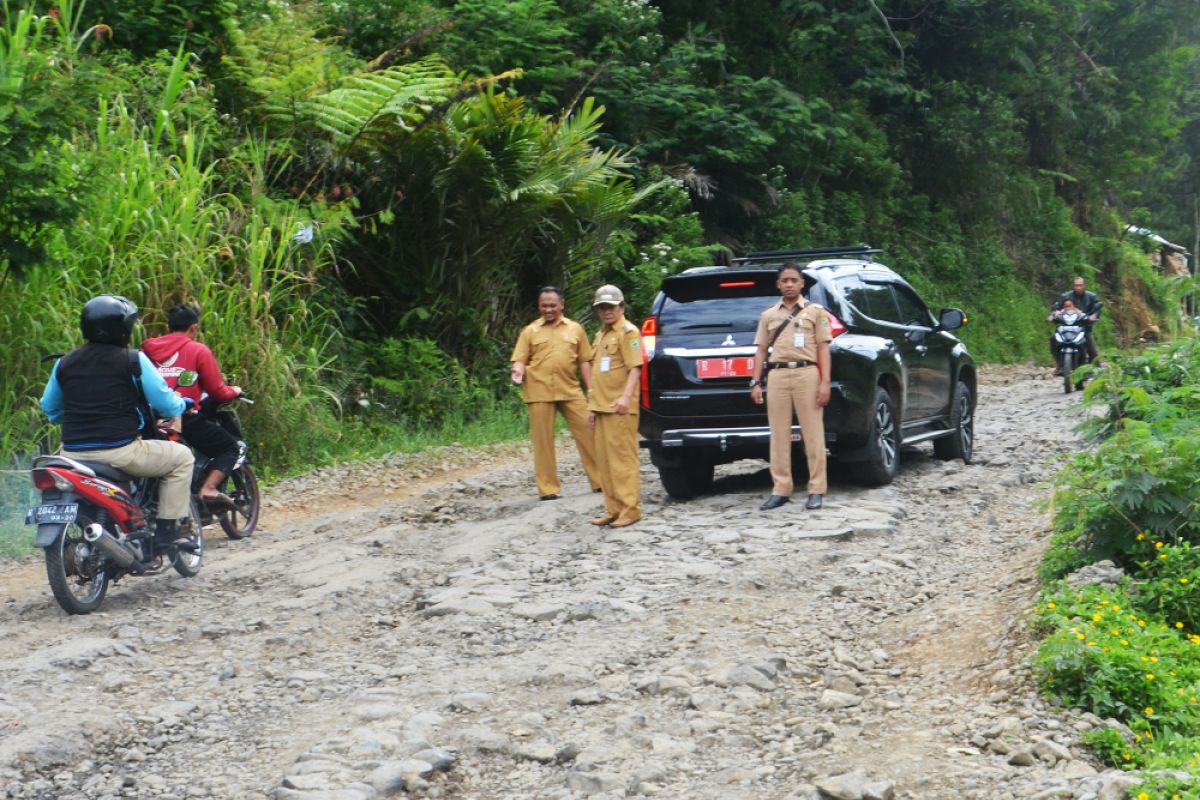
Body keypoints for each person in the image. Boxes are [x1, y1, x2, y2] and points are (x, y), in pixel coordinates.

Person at [40, 295, 196, 550]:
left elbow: (50, 408)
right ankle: (166, 532)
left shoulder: (64, 362)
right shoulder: (132, 359)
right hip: (121, 452)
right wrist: (182, 404)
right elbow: (166, 403)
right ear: (121, 328)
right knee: (182, 458)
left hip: (72, 454)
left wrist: (73, 416)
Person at [143, 304, 243, 510]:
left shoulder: (146, 351)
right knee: (229, 447)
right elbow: (217, 392)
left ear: (168, 326)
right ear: (193, 328)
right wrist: (235, 391)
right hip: (182, 417)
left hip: (148, 419)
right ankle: (209, 488)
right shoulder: (198, 350)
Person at [750, 263, 832, 511]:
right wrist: (755, 381)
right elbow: (761, 350)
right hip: (777, 375)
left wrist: (825, 382)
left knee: (813, 434)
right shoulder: (768, 315)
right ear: (778, 284)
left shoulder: (815, 312)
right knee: (779, 434)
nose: (788, 284)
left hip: (807, 373)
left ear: (801, 283)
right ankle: (781, 489)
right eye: (784, 280)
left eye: (793, 280)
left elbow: (823, 348)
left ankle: (816, 488)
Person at [510, 286, 602, 500]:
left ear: (561, 304)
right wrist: (517, 370)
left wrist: (591, 389)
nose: (548, 309)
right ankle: (548, 488)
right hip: (539, 390)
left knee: (589, 431)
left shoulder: (575, 329)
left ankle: (600, 481)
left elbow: (584, 361)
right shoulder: (530, 331)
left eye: (552, 305)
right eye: (544, 306)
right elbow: (520, 358)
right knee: (543, 441)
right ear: (539, 306)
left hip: (570, 389)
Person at [586, 285, 643, 528]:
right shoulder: (601, 334)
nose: (606, 311)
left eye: (611, 306)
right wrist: (591, 405)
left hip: (619, 406)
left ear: (621, 307)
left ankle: (630, 509)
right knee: (605, 462)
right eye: (602, 307)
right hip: (601, 406)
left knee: (622, 460)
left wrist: (625, 398)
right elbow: (598, 372)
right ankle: (613, 509)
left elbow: (635, 368)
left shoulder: (628, 332)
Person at [1048, 276, 1102, 374]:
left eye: (1080, 285)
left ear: (1084, 286)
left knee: (1092, 349)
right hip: (1065, 327)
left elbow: (1097, 308)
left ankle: (1097, 371)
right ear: (1073, 286)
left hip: (1084, 327)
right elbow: (1056, 307)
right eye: (1076, 285)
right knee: (1053, 339)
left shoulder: (1091, 297)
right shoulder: (1066, 296)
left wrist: (1093, 316)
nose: (1078, 287)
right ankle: (1059, 365)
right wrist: (1054, 314)